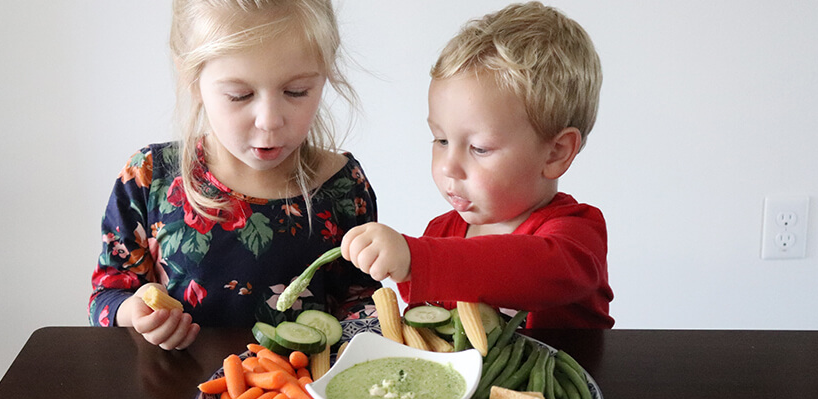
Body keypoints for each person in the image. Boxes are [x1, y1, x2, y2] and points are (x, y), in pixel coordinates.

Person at [90, 0, 380, 349]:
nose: (269, 120)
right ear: (191, 77)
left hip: (303, 397)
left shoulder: (344, 186)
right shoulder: (149, 177)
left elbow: (361, 298)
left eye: (296, 91)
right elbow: (105, 298)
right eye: (239, 95)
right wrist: (134, 313)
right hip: (178, 394)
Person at [341, 2, 613, 329]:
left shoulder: (577, 235)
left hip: (569, 380)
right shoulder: (439, 234)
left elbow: (529, 267)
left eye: (479, 148)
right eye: (441, 140)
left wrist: (418, 259)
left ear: (554, 153)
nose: (448, 167)